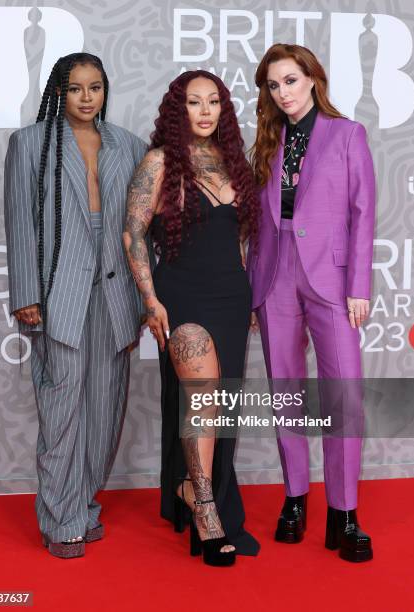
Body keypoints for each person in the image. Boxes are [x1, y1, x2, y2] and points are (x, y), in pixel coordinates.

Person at [4, 52, 147, 558]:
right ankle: (60, 518)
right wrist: (25, 294)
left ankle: (83, 505)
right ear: (59, 93)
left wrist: (148, 297)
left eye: (95, 87)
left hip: (114, 296)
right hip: (56, 296)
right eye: (75, 88)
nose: (86, 98)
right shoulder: (29, 144)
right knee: (62, 411)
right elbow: (21, 222)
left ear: (105, 91)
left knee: (105, 413)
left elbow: (140, 229)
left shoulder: (127, 146)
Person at [123, 70, 260, 566]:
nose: (205, 111)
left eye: (213, 103)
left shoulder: (234, 164)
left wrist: (248, 297)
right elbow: (133, 234)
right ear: (178, 111)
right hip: (182, 296)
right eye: (194, 103)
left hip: (231, 296)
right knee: (200, 401)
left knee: (217, 406)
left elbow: (240, 240)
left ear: (223, 110)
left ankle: (193, 486)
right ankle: (204, 508)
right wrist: (150, 299)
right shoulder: (159, 161)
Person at [248, 43, 375, 562]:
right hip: (276, 276)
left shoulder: (348, 134)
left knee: (342, 395)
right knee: (286, 392)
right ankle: (295, 501)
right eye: (274, 86)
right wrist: (253, 283)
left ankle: (344, 516)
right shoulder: (266, 141)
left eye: (291, 81)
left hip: (332, 276)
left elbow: (363, 212)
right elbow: (254, 221)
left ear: (313, 79)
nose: (284, 93)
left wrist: (359, 286)